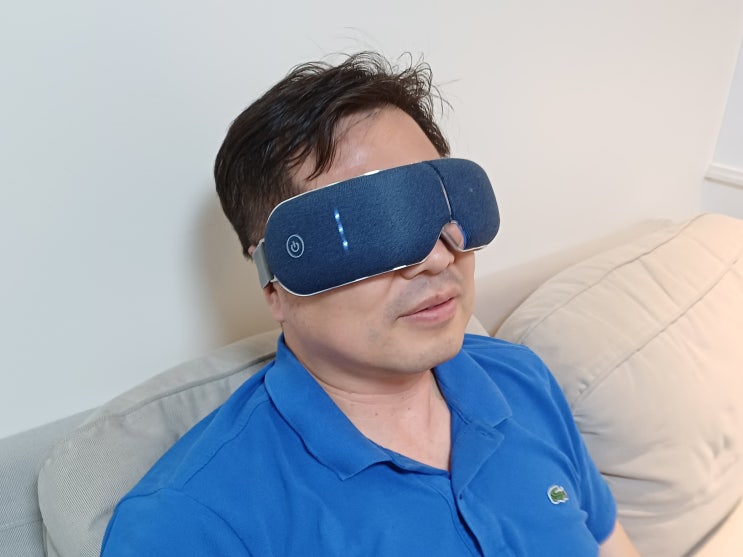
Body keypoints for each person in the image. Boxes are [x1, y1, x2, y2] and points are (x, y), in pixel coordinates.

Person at [101, 52, 640, 556]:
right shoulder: (185, 524)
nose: (438, 257)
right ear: (274, 287)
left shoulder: (520, 379)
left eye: (442, 207)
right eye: (371, 228)